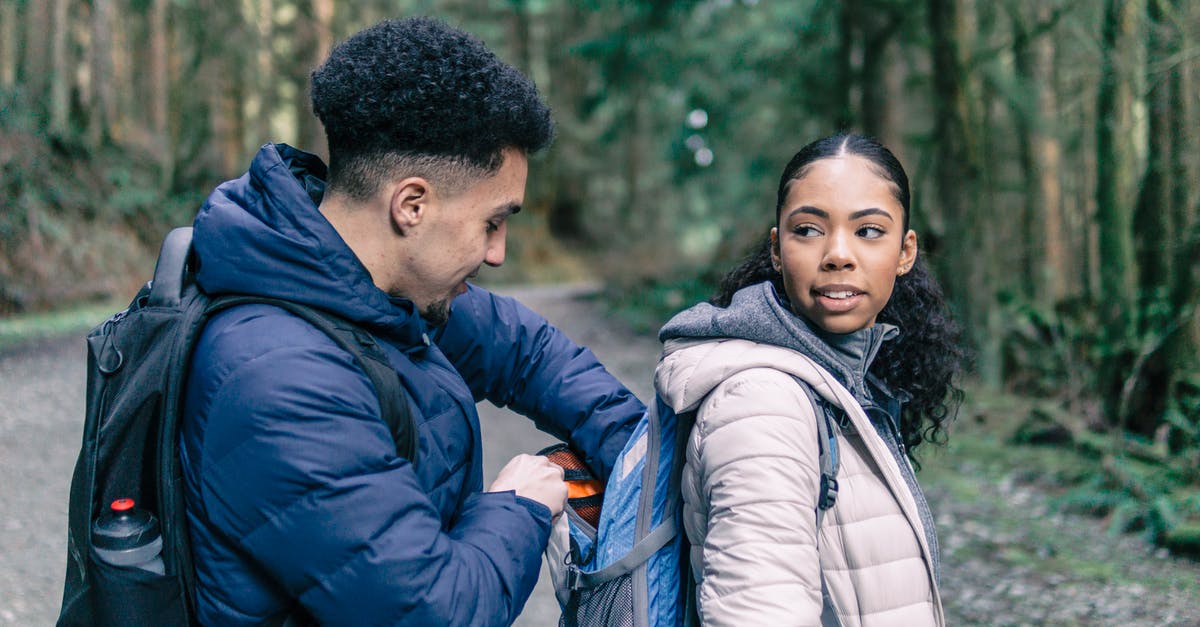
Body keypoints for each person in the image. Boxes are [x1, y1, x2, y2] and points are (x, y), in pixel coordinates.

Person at [179, 17, 644, 625]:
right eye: (492, 222)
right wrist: (517, 506)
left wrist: (645, 461)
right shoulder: (279, 378)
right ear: (412, 205)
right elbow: (432, 612)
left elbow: (526, 352)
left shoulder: (367, 288)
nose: (499, 251)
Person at [655, 133, 965, 625]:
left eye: (868, 231)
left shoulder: (845, 383)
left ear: (905, 252)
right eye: (808, 229)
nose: (838, 254)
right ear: (777, 250)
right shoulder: (762, 403)